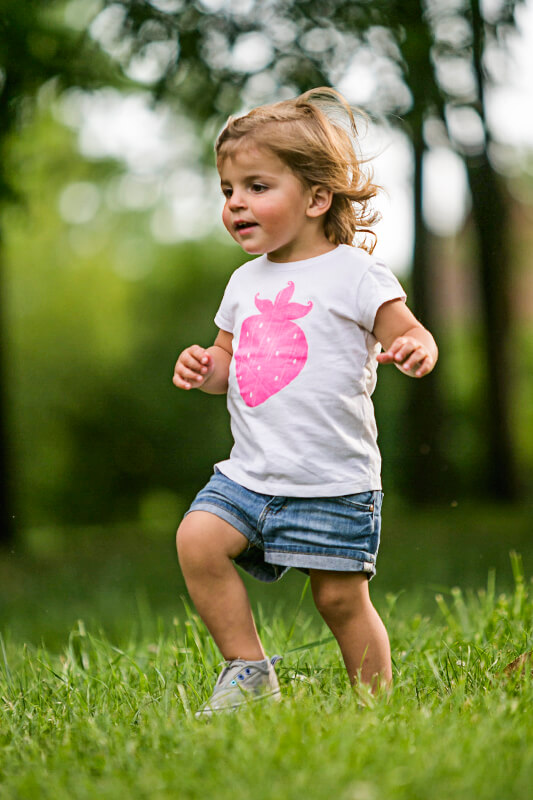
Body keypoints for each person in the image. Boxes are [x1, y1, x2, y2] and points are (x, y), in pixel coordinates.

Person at [173, 87, 438, 716]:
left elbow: (406, 331)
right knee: (197, 540)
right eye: (228, 190)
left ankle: (375, 709)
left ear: (317, 199)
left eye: (257, 186)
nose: (236, 202)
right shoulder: (244, 281)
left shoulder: (356, 274)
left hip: (332, 479)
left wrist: (415, 347)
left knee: (340, 601)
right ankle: (248, 668)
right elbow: (232, 368)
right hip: (252, 474)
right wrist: (205, 368)